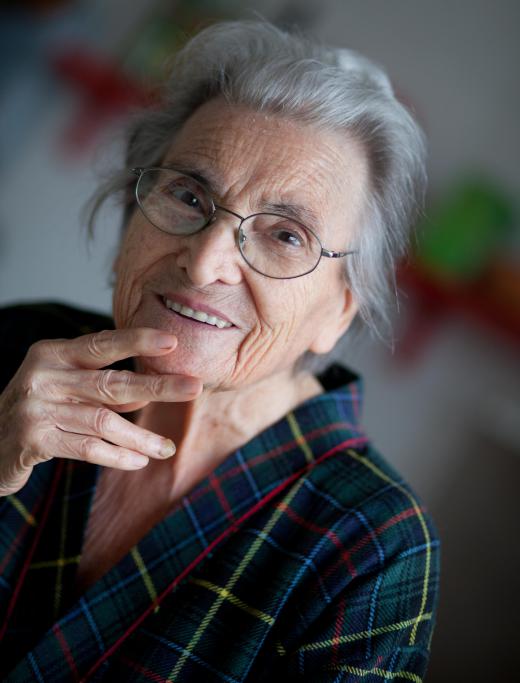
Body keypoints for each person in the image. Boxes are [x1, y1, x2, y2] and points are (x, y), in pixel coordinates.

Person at [0, 20, 439, 682]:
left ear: (339, 308)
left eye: (286, 235)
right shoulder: (16, 346)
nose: (206, 261)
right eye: (188, 194)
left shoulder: (373, 540)